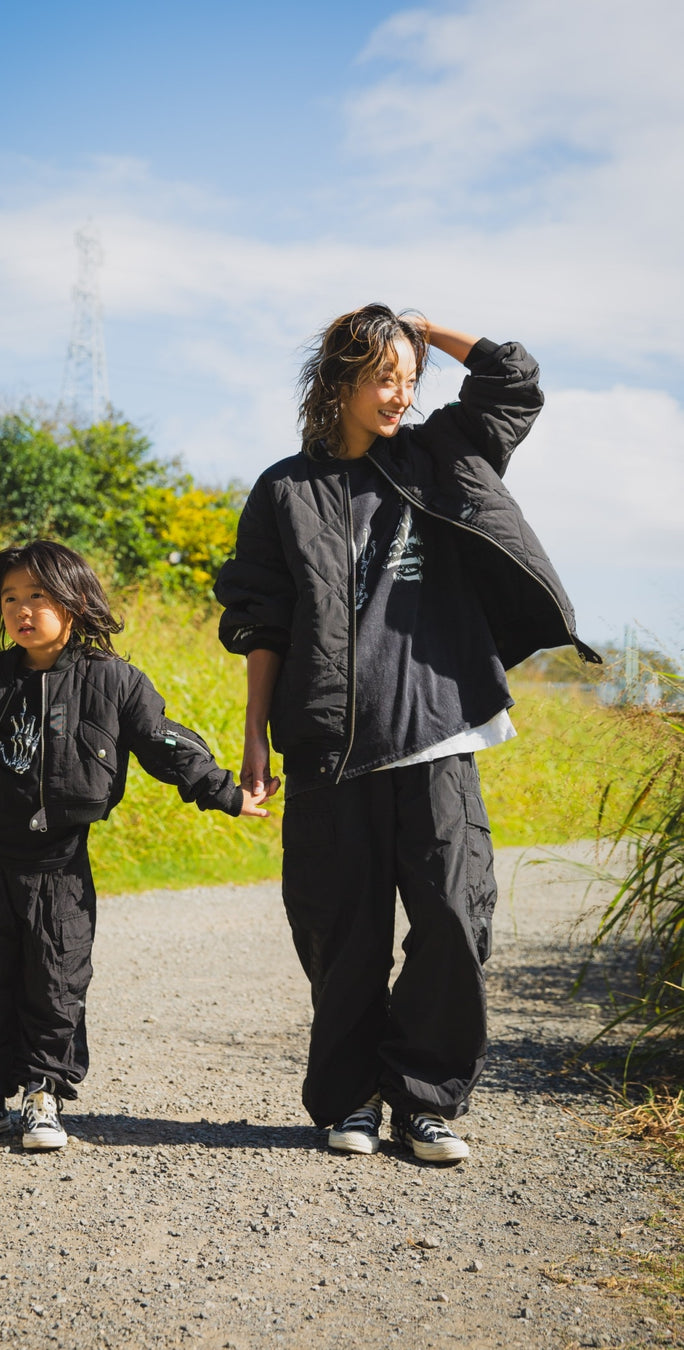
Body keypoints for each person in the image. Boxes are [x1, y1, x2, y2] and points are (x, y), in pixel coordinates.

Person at [214, 306, 600, 1163]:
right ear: (339, 382)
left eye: (410, 378)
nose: (400, 394)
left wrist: (429, 328)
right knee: (340, 935)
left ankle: (425, 1100)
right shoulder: (285, 490)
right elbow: (262, 623)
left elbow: (514, 381)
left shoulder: (438, 454)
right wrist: (252, 740)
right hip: (325, 746)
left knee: (455, 920)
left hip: (435, 729)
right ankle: (349, 1100)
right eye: (384, 377)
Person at [0, 539, 269, 1150]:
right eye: (11, 598)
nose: (22, 610)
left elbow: (163, 743)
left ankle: (43, 1095)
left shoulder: (113, 681)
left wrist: (226, 791)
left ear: (73, 601)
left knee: (56, 979)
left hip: (61, 863)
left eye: (38, 596)